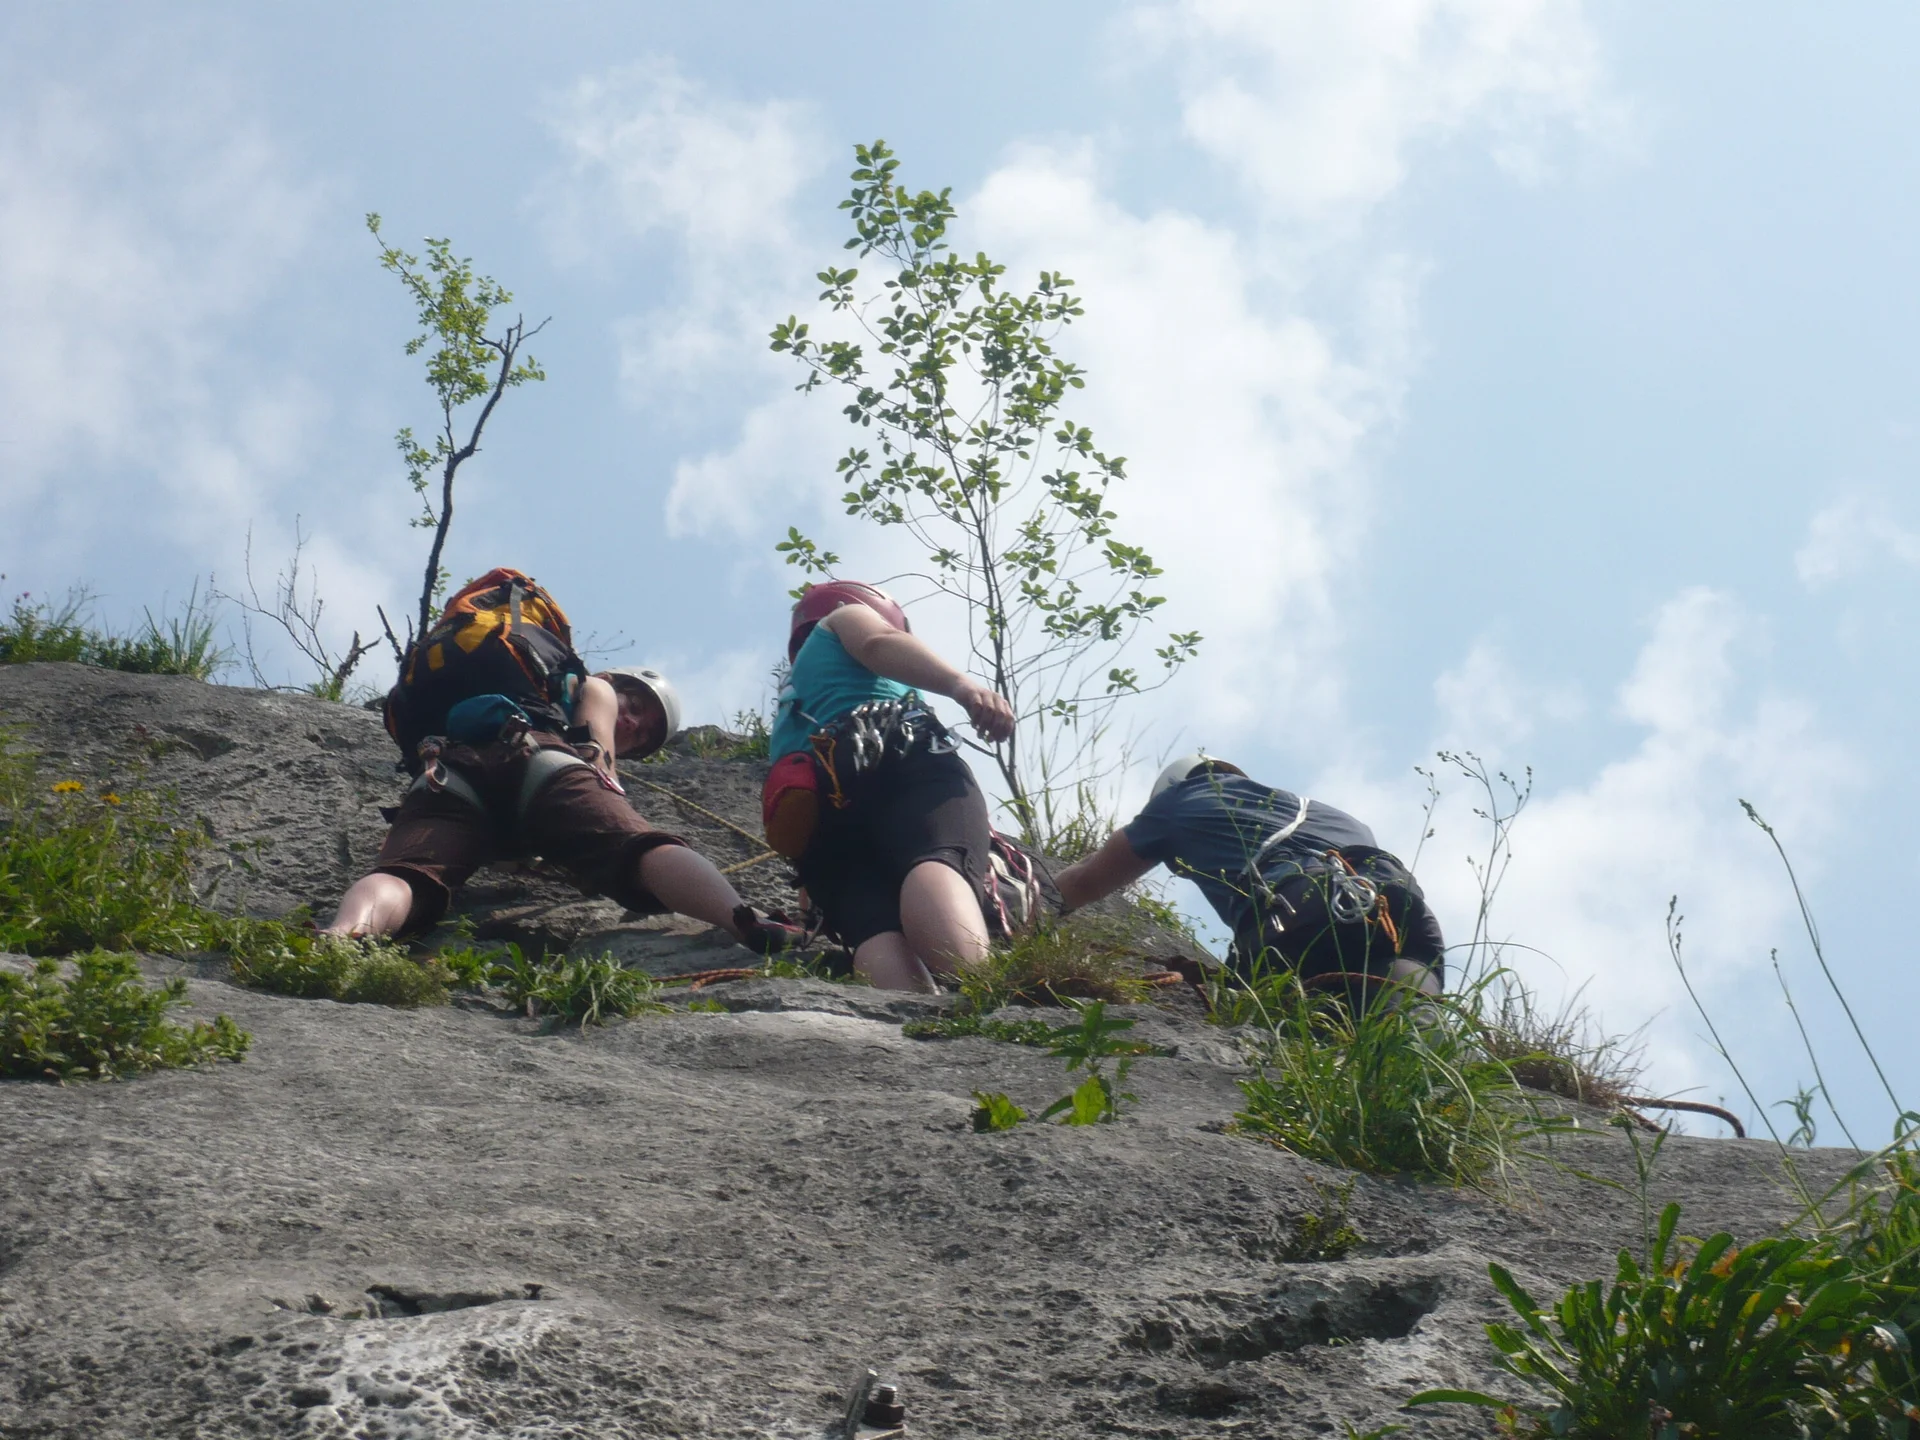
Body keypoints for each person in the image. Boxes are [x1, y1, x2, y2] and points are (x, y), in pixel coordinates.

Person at [325, 571, 797, 953]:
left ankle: (343, 935)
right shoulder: (595, 687)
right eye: (634, 706)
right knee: (640, 848)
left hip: (444, 769)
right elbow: (598, 757)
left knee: (406, 875)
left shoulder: (526, 669)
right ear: (615, 682)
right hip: (538, 757)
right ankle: (747, 921)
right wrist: (603, 789)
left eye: (647, 732)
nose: (633, 722)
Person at [767, 581, 1014, 993]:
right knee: (936, 857)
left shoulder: (794, 702)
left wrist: (812, 895)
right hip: (892, 752)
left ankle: (913, 1025)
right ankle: (982, 997)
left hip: (820, 818)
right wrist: (963, 687)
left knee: (872, 926)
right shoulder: (845, 615)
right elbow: (878, 643)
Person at [1053, 754, 1444, 1003]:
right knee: (1408, 1037)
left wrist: (1028, 908)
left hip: (1302, 919)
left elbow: (1083, 883)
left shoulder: (1180, 801)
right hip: (1401, 916)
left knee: (1292, 1034)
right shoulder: (1339, 816)